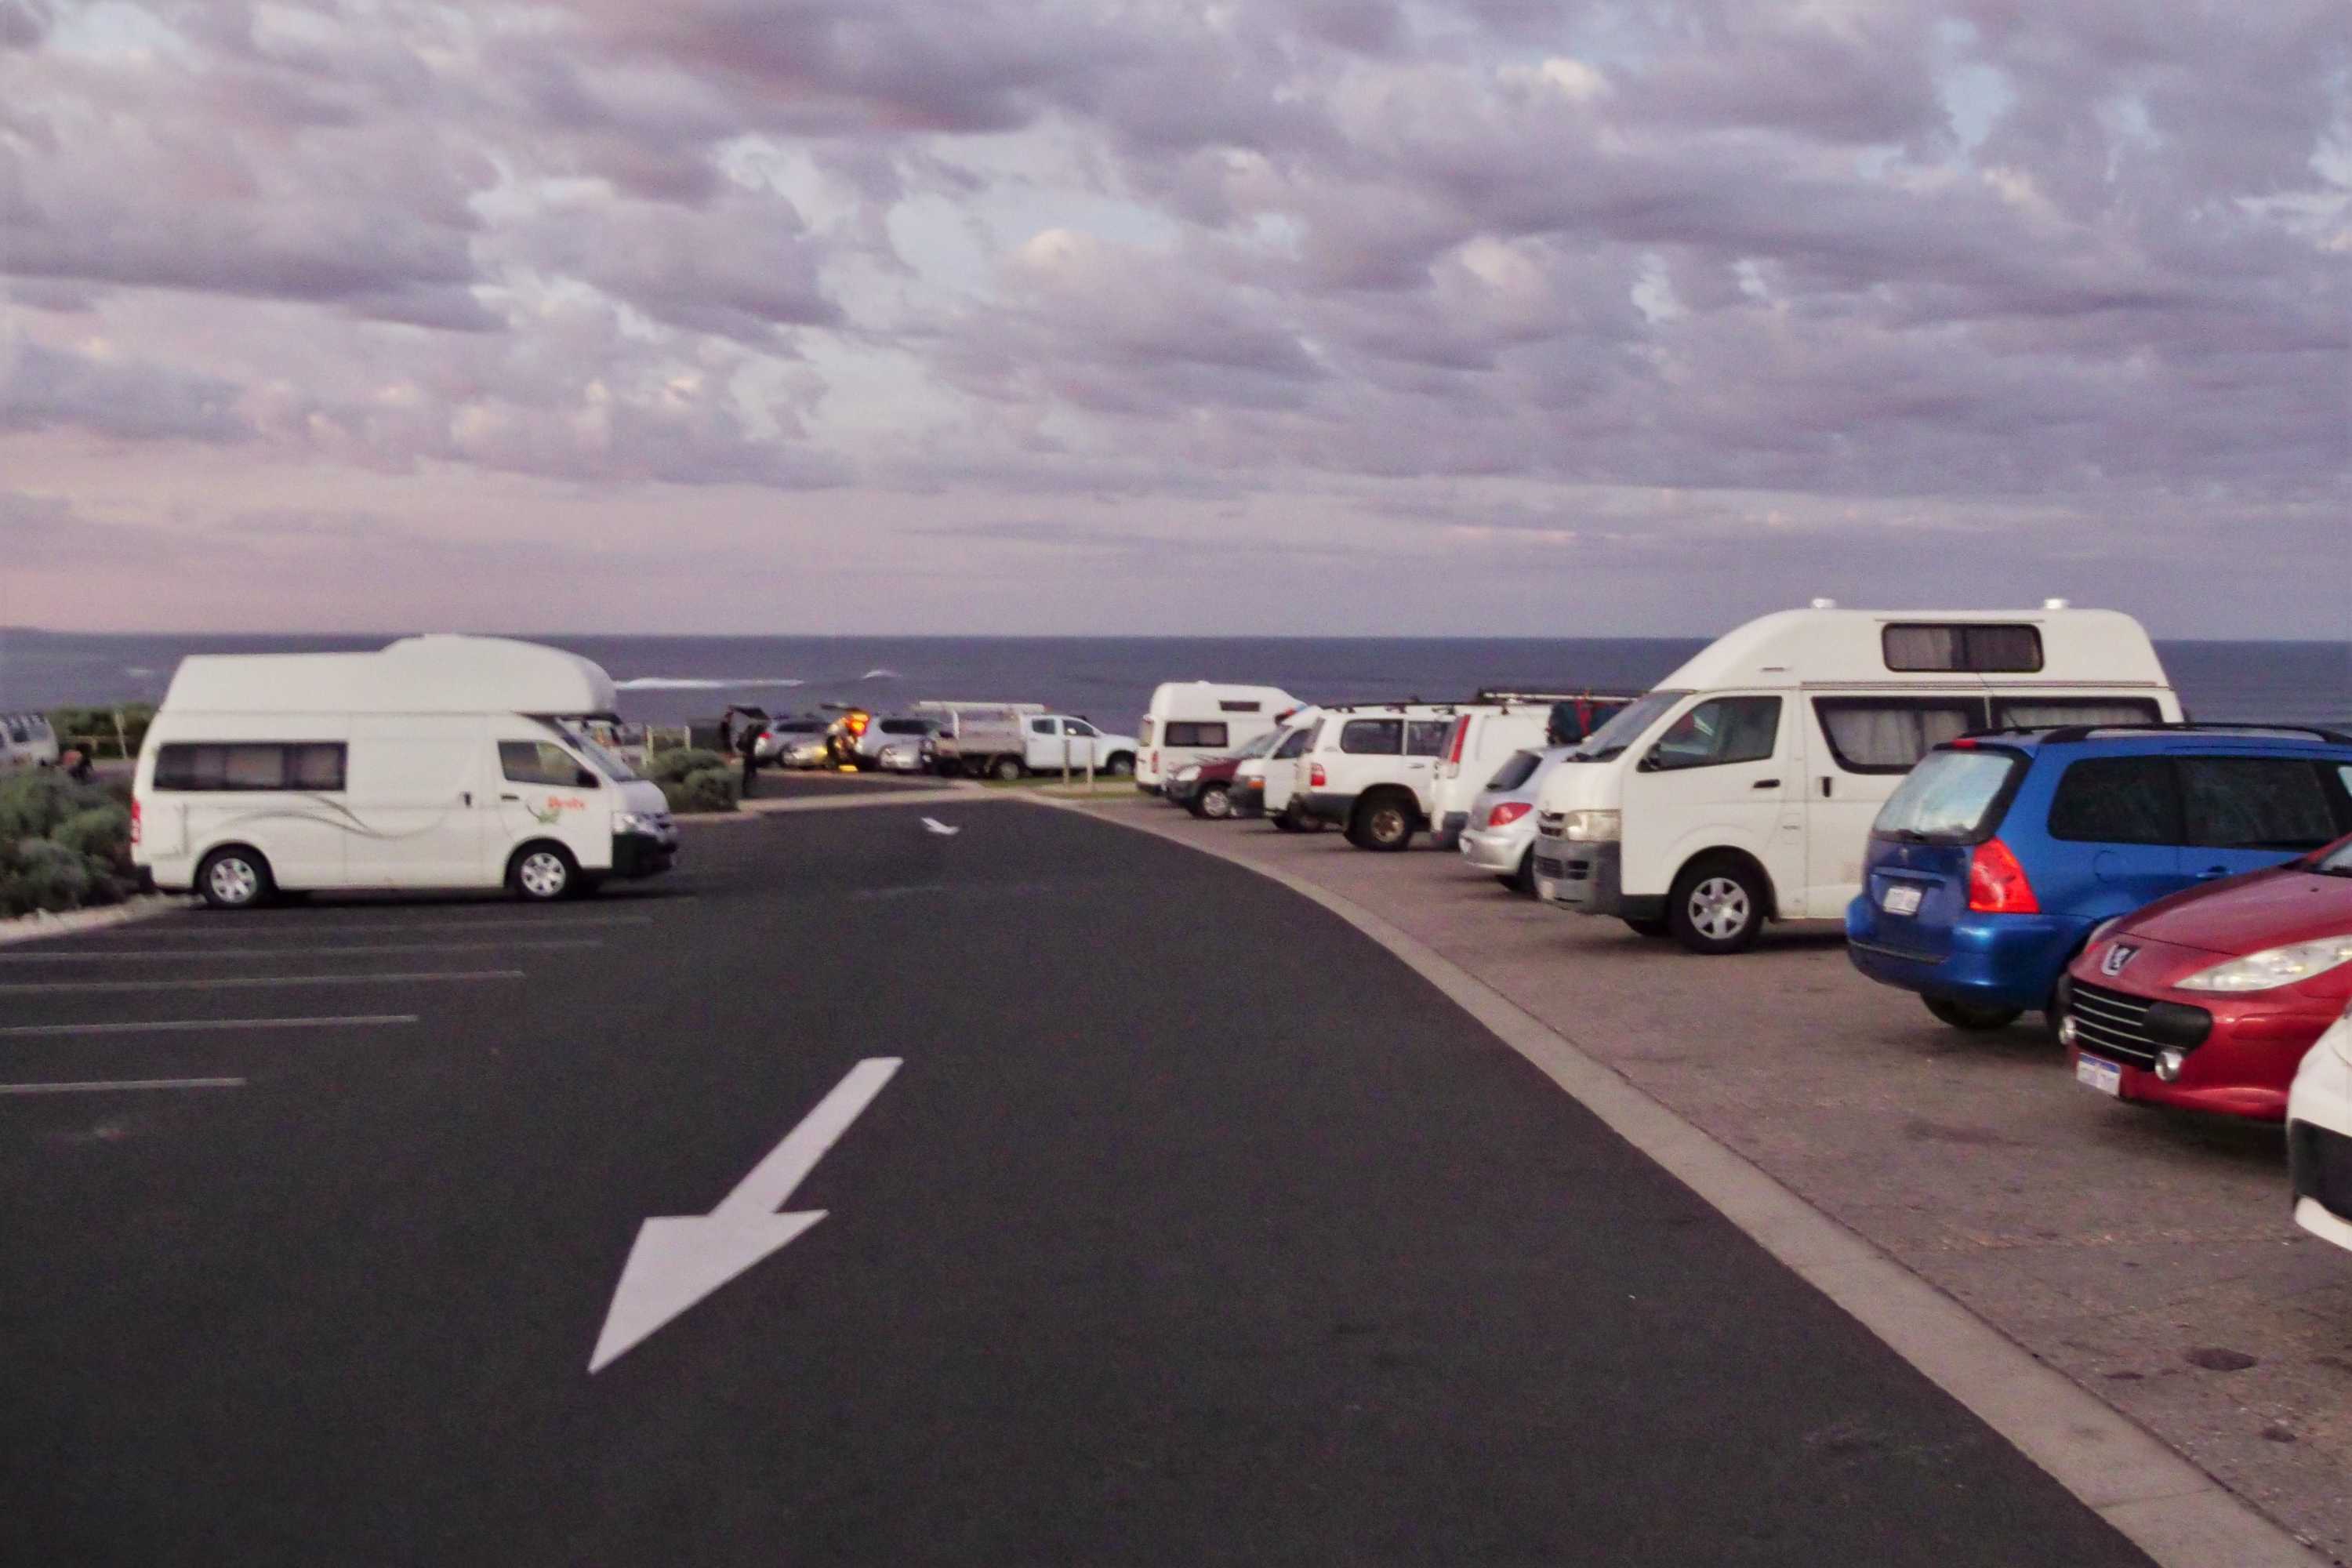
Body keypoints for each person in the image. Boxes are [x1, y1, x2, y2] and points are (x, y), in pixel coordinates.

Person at [738, 720, 760, 800]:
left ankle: (747, 792)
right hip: (750, 756)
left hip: (748, 756)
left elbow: (739, 745)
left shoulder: (744, 735)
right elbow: (740, 745)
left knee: (748, 775)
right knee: (750, 775)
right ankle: (747, 792)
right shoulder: (749, 735)